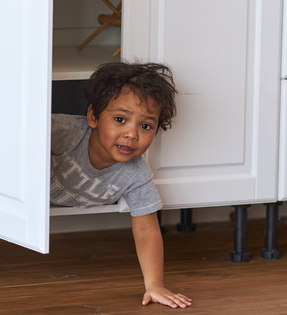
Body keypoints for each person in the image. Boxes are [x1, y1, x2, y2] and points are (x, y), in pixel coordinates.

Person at [51, 61, 192, 309]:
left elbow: (146, 230)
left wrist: (155, 285)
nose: (132, 134)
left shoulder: (136, 174)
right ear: (93, 116)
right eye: (120, 119)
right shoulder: (61, 132)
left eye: (146, 126)